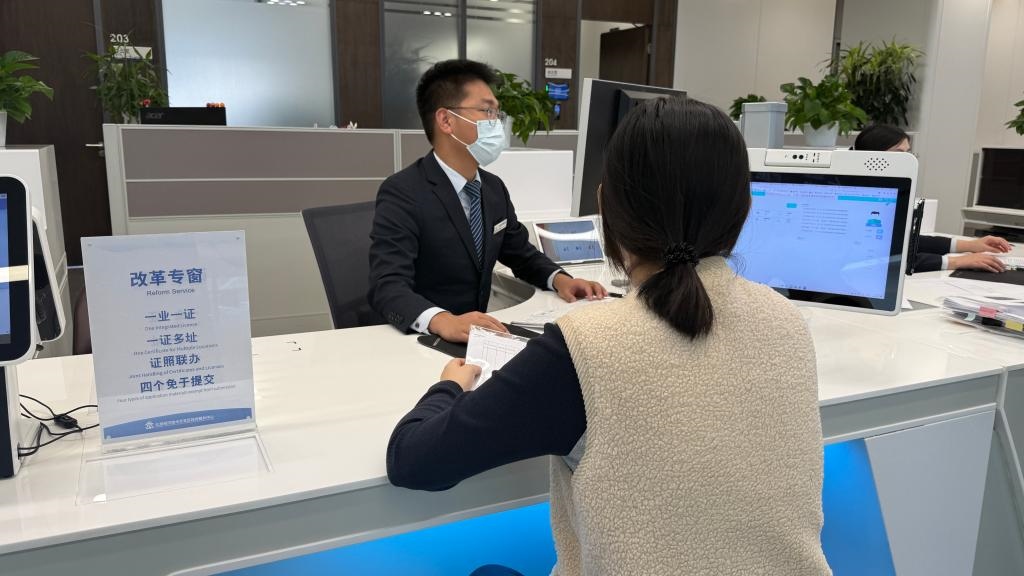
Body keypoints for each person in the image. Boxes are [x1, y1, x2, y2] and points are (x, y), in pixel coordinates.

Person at [387, 97, 832, 575]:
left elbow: (414, 460)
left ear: (607, 208)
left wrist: (448, 386)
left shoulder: (588, 346)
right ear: (743, 209)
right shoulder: (786, 318)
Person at [368, 60, 605, 343]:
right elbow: (387, 285)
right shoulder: (403, 191)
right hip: (423, 339)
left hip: (477, 337)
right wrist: (441, 320)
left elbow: (520, 254)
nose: (497, 123)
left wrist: (561, 280)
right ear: (446, 120)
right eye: (487, 111)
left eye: (497, 112)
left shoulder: (493, 188)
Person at [854, 124, 1012, 273]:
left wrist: (969, 245)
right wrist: (956, 261)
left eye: (909, 153)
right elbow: (882, 257)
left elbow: (905, 241)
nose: (909, 160)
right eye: (900, 153)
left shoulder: (886, 192)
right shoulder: (860, 197)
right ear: (873, 155)